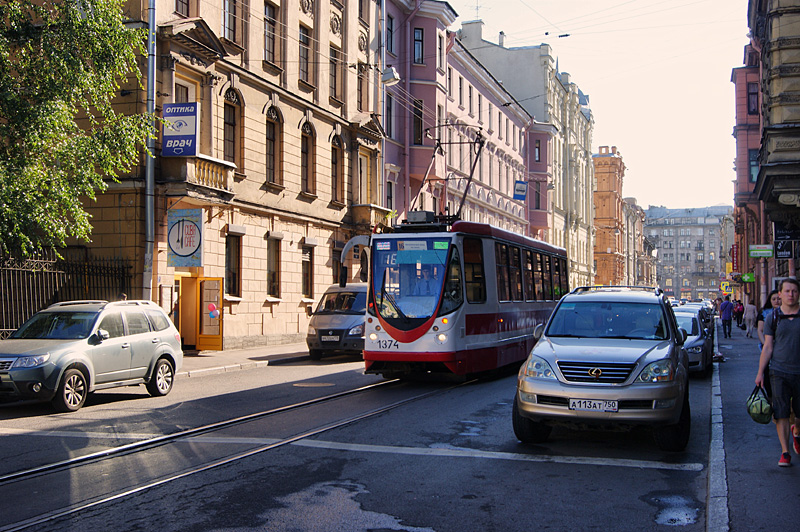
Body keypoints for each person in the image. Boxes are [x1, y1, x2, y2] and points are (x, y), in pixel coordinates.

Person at [755, 278, 800, 467]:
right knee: (780, 412)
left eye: (795, 291)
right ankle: (785, 452)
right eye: (787, 291)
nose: (791, 294)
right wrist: (760, 373)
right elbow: (768, 348)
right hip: (778, 371)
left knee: (798, 415)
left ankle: (796, 431)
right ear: (779, 294)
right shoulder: (772, 317)